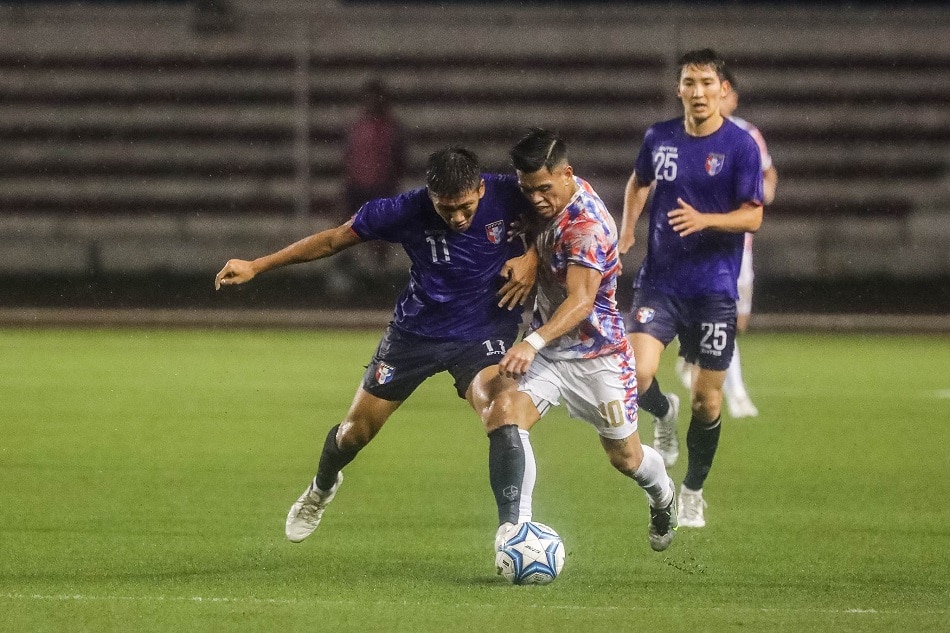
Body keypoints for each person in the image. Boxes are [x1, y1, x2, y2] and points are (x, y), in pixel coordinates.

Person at [215, 147, 541, 543]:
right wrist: (257, 264)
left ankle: (512, 531)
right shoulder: (402, 210)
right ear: (430, 195)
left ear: (481, 189)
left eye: (466, 208)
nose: (457, 218)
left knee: (502, 408)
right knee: (355, 433)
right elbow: (334, 240)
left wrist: (534, 258)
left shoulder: (512, 193)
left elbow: (569, 206)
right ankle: (321, 487)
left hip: (483, 333)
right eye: (446, 208)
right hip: (414, 334)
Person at [488, 128, 677, 554]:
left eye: (543, 189)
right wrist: (533, 258)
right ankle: (517, 532)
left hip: (598, 356)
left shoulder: (589, 227)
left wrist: (530, 342)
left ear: (568, 175)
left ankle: (663, 496)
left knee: (624, 458)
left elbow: (582, 301)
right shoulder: (552, 195)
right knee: (506, 419)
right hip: (550, 354)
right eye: (527, 189)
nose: (535, 198)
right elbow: (542, 223)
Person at [619, 49, 764, 529]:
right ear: (679, 88)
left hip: (714, 290)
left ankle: (693, 490)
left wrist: (707, 220)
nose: (698, 92)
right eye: (689, 82)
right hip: (659, 283)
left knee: (709, 401)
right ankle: (663, 412)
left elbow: (754, 215)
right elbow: (639, 182)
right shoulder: (659, 137)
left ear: (722, 89)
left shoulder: (740, 146)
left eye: (706, 82)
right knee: (636, 377)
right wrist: (628, 229)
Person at [673, 65, 779, 419]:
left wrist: (761, 195)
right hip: (700, 247)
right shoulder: (687, 135)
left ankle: (693, 354)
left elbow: (767, 171)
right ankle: (738, 395)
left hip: (738, 247)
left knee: (735, 323)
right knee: (724, 320)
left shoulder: (747, 135)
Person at [342, 79, 406, 267]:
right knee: (344, 228)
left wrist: (392, 183)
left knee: (380, 233)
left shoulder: (392, 128)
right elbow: (349, 156)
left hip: (381, 185)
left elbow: (398, 158)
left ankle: (379, 270)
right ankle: (347, 267)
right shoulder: (358, 127)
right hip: (357, 185)